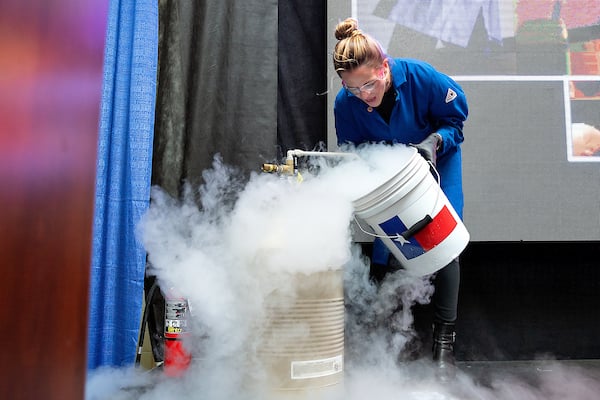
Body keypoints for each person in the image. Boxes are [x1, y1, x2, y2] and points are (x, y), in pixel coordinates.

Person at [332, 18, 468, 380]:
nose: (364, 95)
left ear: (385, 66)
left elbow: (456, 120)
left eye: (370, 84)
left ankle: (444, 344)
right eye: (353, 88)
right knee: (391, 249)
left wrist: (435, 142)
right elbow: (355, 154)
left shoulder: (421, 77)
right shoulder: (346, 104)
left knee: (443, 243)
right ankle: (393, 340)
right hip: (389, 177)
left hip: (435, 162)